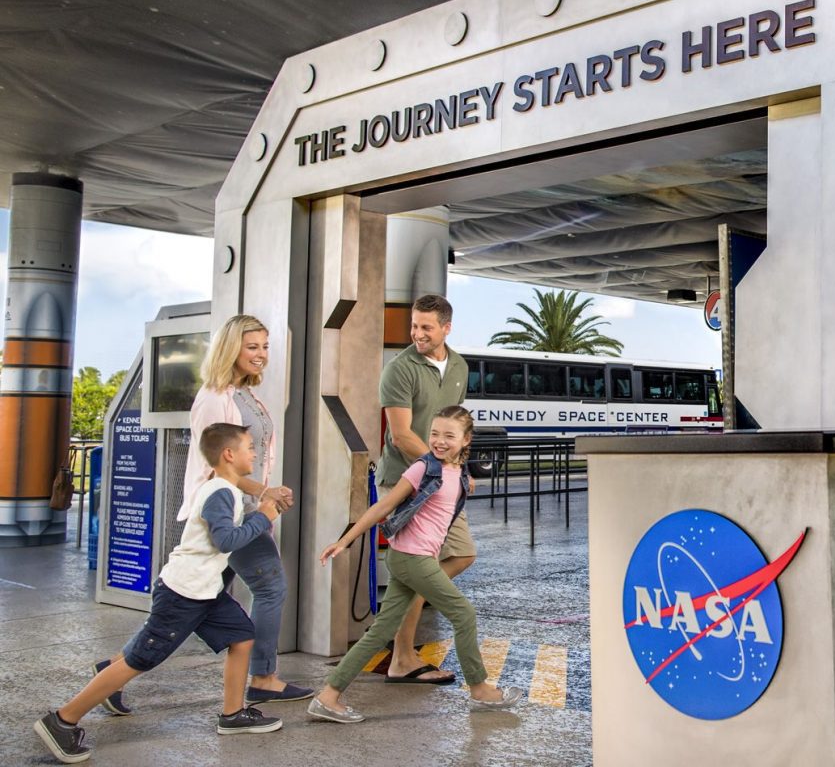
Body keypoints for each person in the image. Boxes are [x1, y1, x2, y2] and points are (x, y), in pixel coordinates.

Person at [92, 315, 311, 713]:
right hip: (231, 515)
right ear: (231, 349)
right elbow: (219, 466)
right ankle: (262, 679)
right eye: (253, 347)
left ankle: (113, 669)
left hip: (245, 509)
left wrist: (264, 493)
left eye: (265, 346)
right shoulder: (215, 398)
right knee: (270, 588)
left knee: (188, 611)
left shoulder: (244, 394)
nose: (262, 354)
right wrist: (265, 496)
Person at [35, 424, 284, 764]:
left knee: (242, 636)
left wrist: (262, 507)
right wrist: (263, 518)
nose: (254, 453)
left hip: (206, 591)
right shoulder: (219, 493)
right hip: (183, 593)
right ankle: (62, 720)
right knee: (141, 659)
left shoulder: (225, 489)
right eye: (249, 447)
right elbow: (226, 540)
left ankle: (232, 714)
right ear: (229, 454)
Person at [308, 407, 519, 723]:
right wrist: (344, 540)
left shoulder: (457, 472)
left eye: (449, 435)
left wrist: (466, 479)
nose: (439, 441)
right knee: (464, 614)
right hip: (411, 558)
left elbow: (449, 495)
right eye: (434, 433)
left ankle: (328, 697)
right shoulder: (423, 468)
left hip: (415, 557)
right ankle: (479, 689)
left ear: (466, 440)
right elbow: (384, 506)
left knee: (380, 632)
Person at [375, 294, 473, 684]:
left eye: (426, 327)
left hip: (442, 482)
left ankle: (401, 649)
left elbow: (455, 426)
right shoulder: (400, 369)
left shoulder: (460, 366)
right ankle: (401, 657)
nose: (417, 333)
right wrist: (447, 468)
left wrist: (456, 466)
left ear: (446, 328)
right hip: (408, 481)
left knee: (462, 554)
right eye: (414, 326)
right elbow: (400, 436)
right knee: (419, 571)